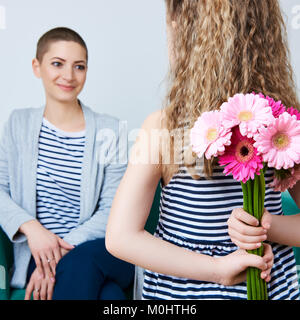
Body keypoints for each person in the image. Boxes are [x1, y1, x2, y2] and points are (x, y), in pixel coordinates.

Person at [106, 0, 300, 300]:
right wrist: (216, 268)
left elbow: (121, 236)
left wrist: (266, 224)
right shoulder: (164, 127)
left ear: (183, 33)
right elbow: (120, 237)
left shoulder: (284, 128)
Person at [0, 27, 134, 300]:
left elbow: (114, 210)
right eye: (57, 64)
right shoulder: (18, 124)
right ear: (37, 67)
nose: (69, 76)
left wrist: (60, 250)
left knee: (81, 263)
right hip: (37, 256)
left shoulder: (111, 130)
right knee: (110, 297)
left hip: (101, 251)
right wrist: (32, 229)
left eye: (79, 66)